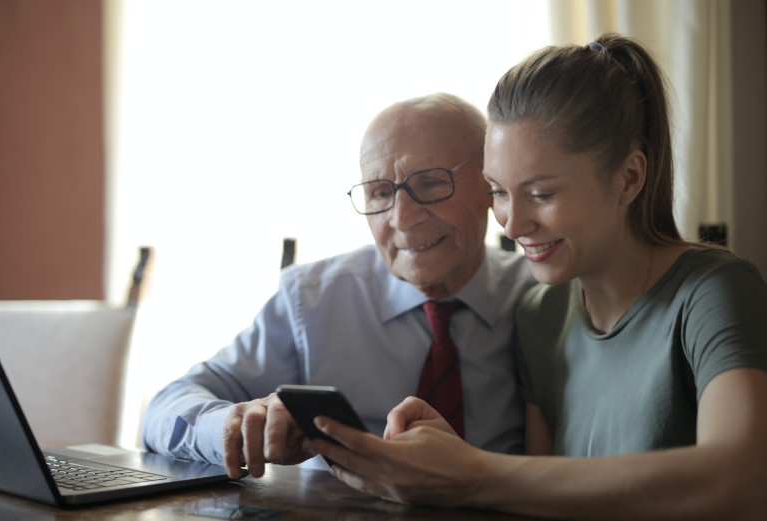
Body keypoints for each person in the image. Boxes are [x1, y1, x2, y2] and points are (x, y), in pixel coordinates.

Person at [307, 33, 767, 520]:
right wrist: (447, 458)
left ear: (629, 178)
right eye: (498, 191)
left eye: (541, 194)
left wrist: (471, 471)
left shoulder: (714, 291)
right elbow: (538, 497)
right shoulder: (539, 314)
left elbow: (742, 482)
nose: (511, 223)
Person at [140, 92, 536, 480]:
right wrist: (234, 424)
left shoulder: (541, 299)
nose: (402, 218)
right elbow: (164, 410)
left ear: (491, 185)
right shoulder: (313, 300)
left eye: (430, 183)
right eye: (380, 192)